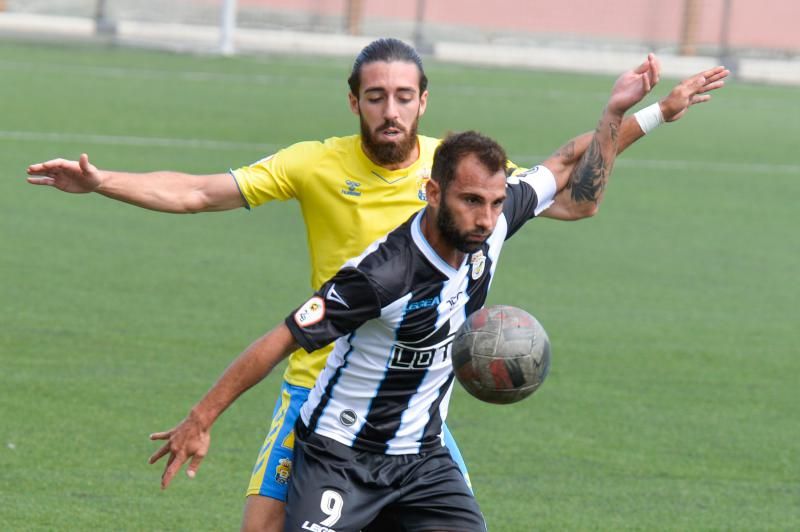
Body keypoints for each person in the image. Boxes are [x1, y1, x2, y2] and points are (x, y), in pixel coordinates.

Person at [26, 39, 728, 531]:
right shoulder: (330, 186)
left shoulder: (472, 176)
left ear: (424, 101)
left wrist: (646, 114)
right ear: (355, 101)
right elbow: (195, 193)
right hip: (322, 393)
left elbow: (567, 175)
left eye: (403, 97)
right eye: (376, 97)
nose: (390, 110)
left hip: (419, 418)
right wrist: (103, 181)